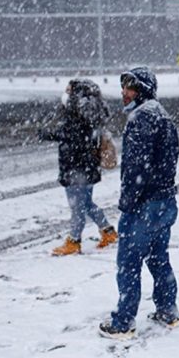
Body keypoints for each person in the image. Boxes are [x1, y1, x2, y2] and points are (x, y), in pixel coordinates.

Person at [99, 67, 179, 339]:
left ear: (143, 90)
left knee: (129, 262)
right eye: (123, 87)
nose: (124, 92)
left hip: (144, 205)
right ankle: (168, 310)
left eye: (130, 88)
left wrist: (129, 203)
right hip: (165, 201)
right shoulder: (163, 115)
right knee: (159, 258)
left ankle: (123, 323)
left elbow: (136, 168)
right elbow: (169, 161)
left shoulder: (141, 118)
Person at [38, 78, 117, 256]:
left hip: (76, 169)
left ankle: (74, 241)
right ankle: (108, 232)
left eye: (69, 90)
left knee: (77, 207)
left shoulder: (75, 113)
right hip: (88, 167)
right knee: (86, 203)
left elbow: (71, 136)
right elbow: (80, 137)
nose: (66, 93)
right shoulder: (92, 111)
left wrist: (48, 134)